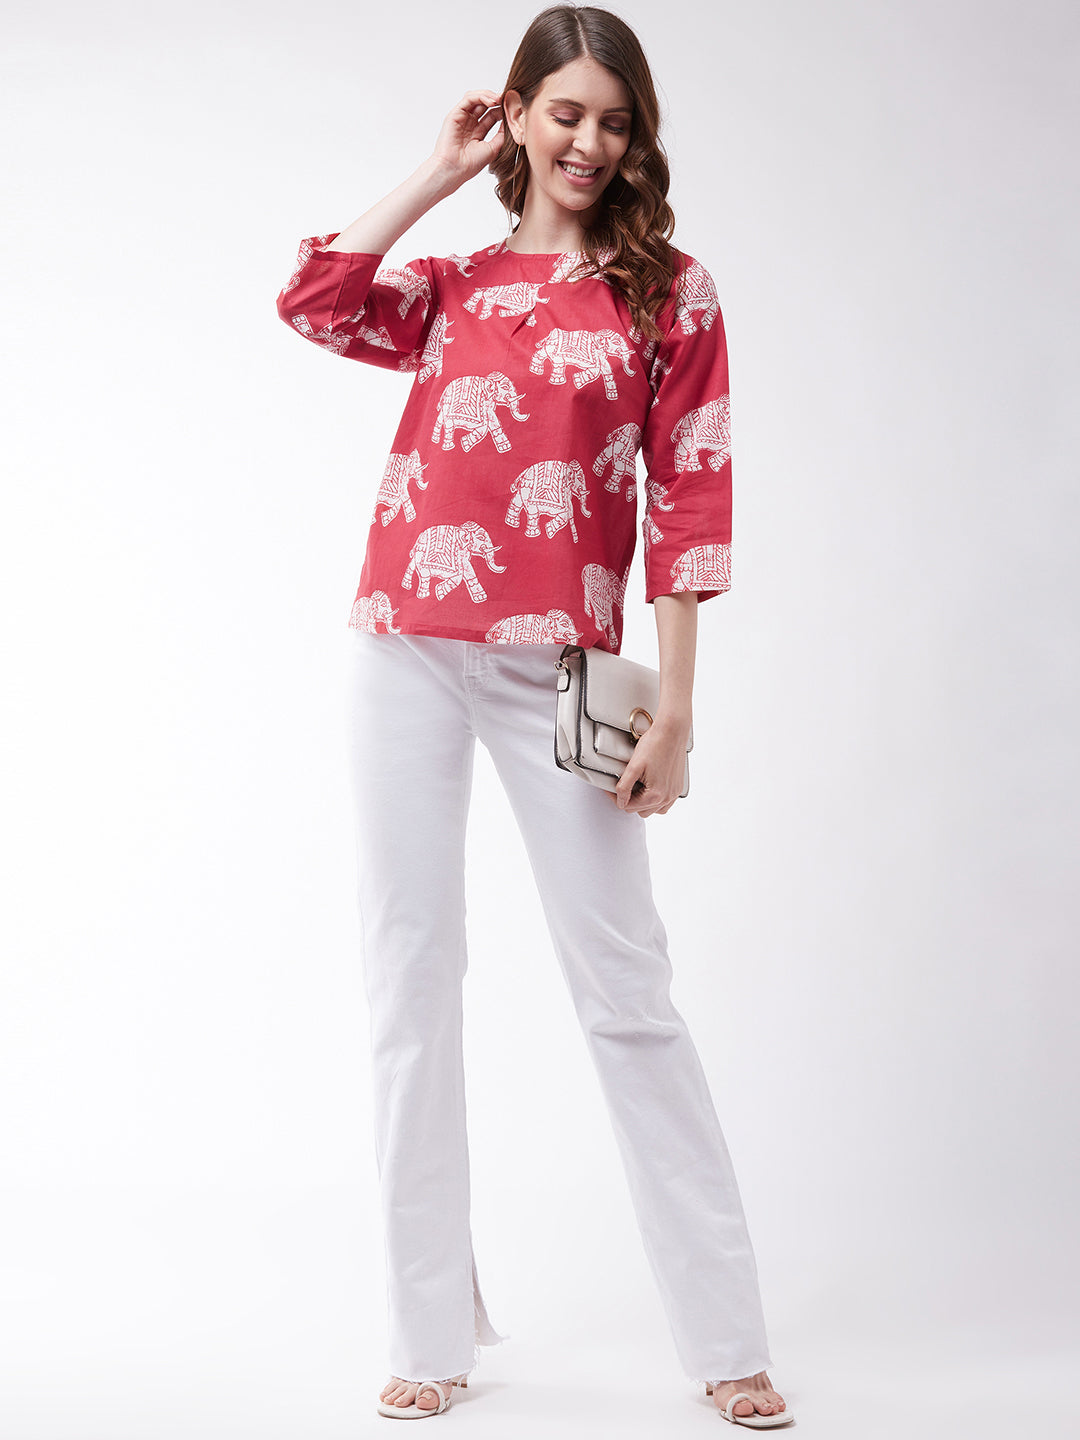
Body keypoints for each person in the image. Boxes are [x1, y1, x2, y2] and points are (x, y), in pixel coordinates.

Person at [274, 4, 793, 1426]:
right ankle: (426, 1333)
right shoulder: (451, 285)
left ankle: (726, 1336)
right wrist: (443, 171)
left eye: (616, 122)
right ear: (519, 116)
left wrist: (677, 709)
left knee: (625, 990)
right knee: (408, 978)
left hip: (560, 669)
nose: (591, 142)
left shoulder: (667, 292)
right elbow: (315, 298)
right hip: (403, 647)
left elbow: (691, 501)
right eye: (565, 113)